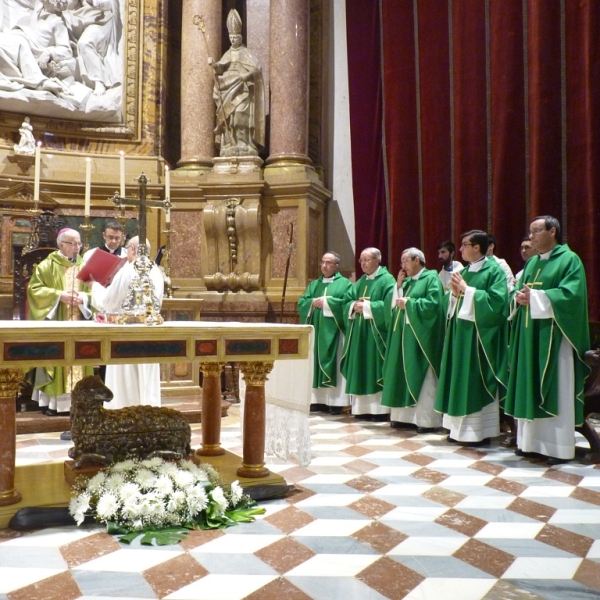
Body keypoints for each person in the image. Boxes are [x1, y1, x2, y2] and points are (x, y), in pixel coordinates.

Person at [505, 216, 590, 465]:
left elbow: (571, 296)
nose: (531, 237)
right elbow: (518, 292)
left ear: (552, 232)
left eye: (536, 231)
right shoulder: (531, 264)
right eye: (530, 232)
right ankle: (530, 443)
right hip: (529, 335)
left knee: (556, 386)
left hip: (555, 338)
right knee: (529, 384)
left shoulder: (569, 260)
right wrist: (519, 298)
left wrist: (538, 297)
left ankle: (557, 447)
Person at [435, 230, 508, 445]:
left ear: (477, 247)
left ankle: (477, 433)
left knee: (472, 380)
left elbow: (497, 303)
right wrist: (455, 295)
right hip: (460, 334)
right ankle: (456, 429)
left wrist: (467, 291)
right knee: (458, 378)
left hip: (479, 339)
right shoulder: (465, 271)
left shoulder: (493, 270)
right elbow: (452, 300)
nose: (460, 249)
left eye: (465, 244)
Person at [88, 236, 164, 409]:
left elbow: (108, 302)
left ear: (131, 249)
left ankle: (125, 415)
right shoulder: (156, 271)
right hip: (150, 332)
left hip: (127, 333)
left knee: (126, 379)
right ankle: (149, 414)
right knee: (146, 377)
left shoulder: (128, 270)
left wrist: (94, 285)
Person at [27, 228, 93, 415]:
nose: (77, 248)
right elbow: (35, 290)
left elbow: (97, 293)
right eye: (73, 243)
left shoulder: (85, 268)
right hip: (57, 322)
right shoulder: (47, 265)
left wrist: (84, 299)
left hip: (80, 325)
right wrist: (58, 296)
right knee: (57, 360)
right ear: (61, 244)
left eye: (79, 243)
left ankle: (81, 404)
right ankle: (55, 405)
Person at [382, 248, 445, 433]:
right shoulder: (407, 283)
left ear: (417, 260)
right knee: (400, 373)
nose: (403, 266)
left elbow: (434, 305)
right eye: (402, 262)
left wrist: (409, 303)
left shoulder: (431, 279)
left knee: (422, 377)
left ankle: (426, 420)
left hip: (420, 339)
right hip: (402, 337)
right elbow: (393, 306)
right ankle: (403, 417)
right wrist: (399, 286)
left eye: (405, 261)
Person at [340, 247, 396, 421]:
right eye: (361, 260)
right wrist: (352, 306)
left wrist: (366, 307)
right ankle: (361, 409)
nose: (363, 264)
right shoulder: (361, 281)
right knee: (360, 366)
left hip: (375, 334)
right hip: (358, 333)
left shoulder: (387, 280)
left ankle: (379, 411)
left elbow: (389, 305)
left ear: (377, 260)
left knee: (374, 367)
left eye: (366, 260)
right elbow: (346, 300)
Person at [298, 251, 352, 415]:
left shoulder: (345, 284)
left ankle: (336, 402)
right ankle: (318, 401)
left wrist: (328, 303)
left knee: (334, 361)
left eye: (329, 263)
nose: (325, 265)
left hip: (335, 332)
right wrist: (311, 302)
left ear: (336, 266)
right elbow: (302, 302)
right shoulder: (314, 285)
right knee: (315, 361)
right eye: (323, 262)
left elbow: (347, 303)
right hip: (317, 331)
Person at [208, 9, 265, 157]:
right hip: (228, 86)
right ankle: (228, 143)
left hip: (242, 87)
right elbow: (221, 66)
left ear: (240, 37)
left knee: (240, 114)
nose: (233, 40)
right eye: (231, 37)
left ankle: (243, 142)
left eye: (236, 37)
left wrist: (247, 75)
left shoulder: (246, 53)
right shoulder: (227, 53)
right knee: (229, 115)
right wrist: (214, 64)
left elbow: (257, 69)